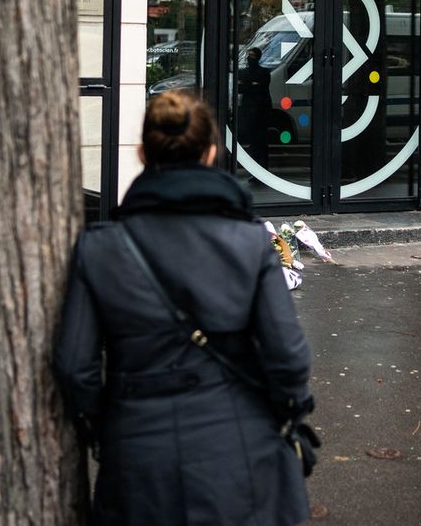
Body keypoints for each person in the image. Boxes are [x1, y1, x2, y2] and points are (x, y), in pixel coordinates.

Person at [54, 90, 314, 526]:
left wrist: (107, 427)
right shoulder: (251, 243)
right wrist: (289, 410)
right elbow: (288, 357)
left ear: (142, 152)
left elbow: (74, 366)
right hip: (238, 447)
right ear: (210, 151)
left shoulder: (100, 248)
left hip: (137, 452)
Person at [237, 46, 272, 167]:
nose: (249, 58)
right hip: (250, 111)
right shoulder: (244, 72)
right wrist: (252, 84)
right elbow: (241, 88)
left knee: (261, 141)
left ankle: (262, 167)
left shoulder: (264, 72)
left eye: (252, 56)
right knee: (253, 141)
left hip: (260, 112)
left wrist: (248, 85)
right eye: (249, 55)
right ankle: (256, 168)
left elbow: (260, 88)